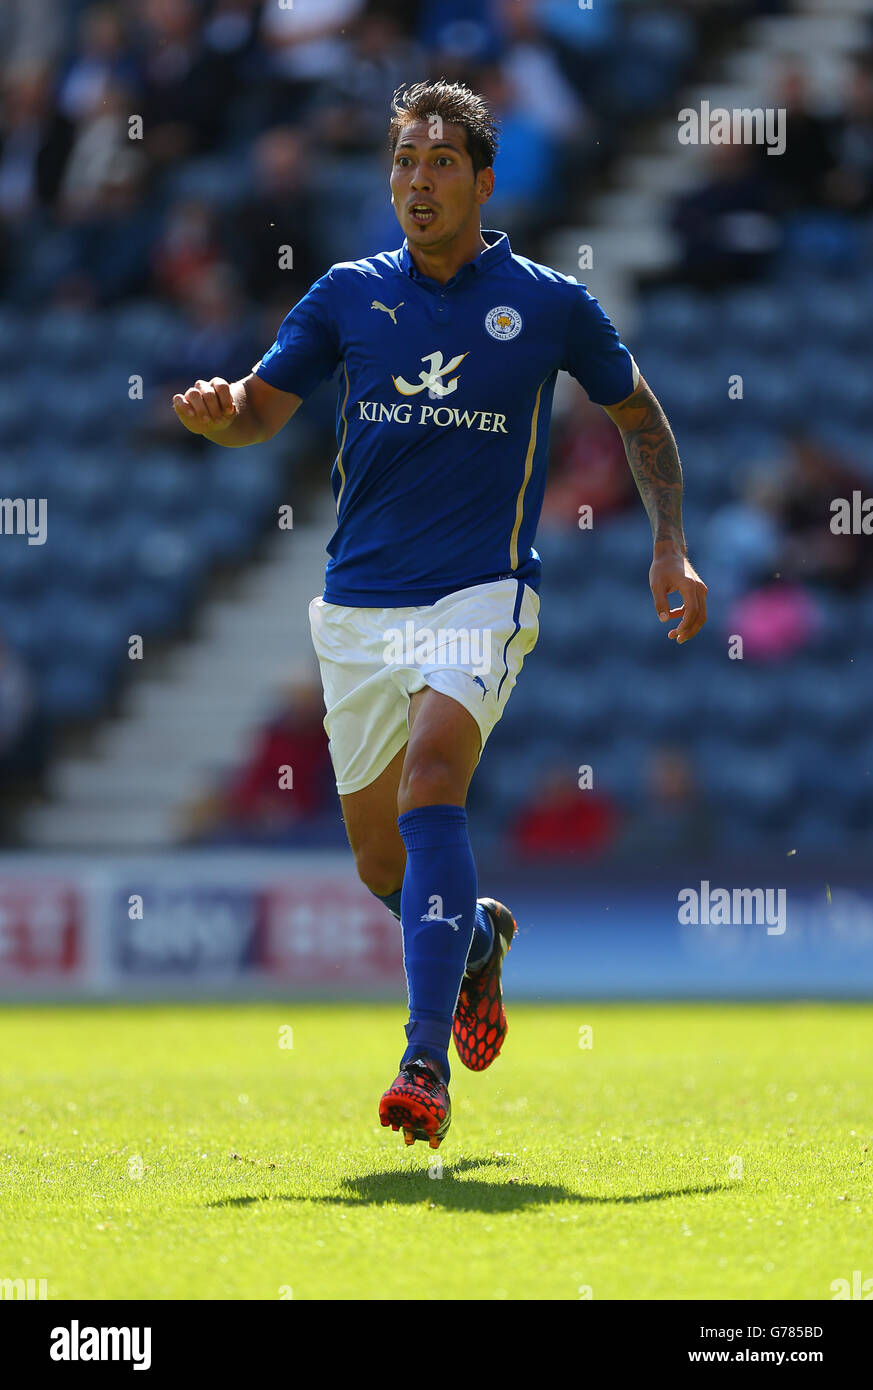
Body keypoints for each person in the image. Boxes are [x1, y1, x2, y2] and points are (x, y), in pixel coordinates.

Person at [171, 79, 707, 1150]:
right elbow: (259, 413)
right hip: (358, 607)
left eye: (441, 164)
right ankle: (473, 946)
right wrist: (220, 413)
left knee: (431, 785)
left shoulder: (551, 302)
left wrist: (669, 543)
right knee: (381, 862)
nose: (418, 181)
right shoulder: (342, 295)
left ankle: (422, 1063)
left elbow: (636, 411)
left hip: (481, 591)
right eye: (405, 163)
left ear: (483, 179)